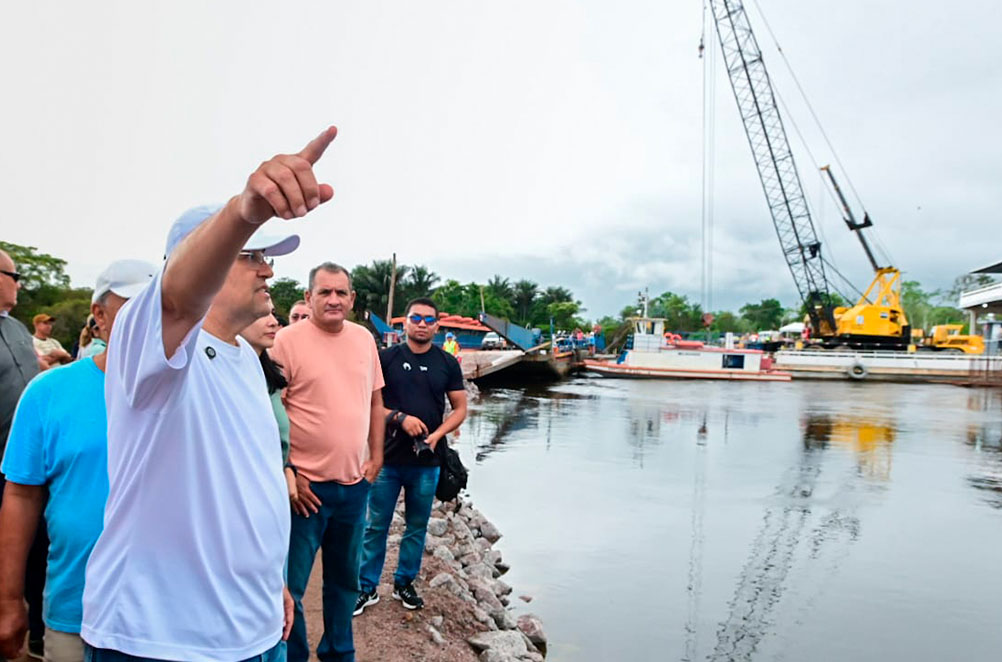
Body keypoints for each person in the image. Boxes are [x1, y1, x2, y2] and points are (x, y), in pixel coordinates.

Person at [80, 126, 339, 662]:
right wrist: (244, 210)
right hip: (161, 640)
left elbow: (246, 487)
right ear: (205, 263)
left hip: (252, 627)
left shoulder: (247, 359)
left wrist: (270, 590)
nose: (268, 269)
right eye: (251, 255)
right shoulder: (148, 342)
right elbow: (176, 302)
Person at [0, 259, 155, 662]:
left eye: (157, 307)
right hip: (77, 616)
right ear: (99, 316)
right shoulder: (49, 392)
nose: (148, 319)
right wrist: (9, 601)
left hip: (171, 621)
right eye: (133, 307)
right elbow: (21, 496)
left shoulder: (194, 388)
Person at [271, 263, 384, 662]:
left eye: (341, 293)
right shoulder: (285, 342)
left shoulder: (364, 339)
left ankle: (339, 652)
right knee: (291, 586)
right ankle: (295, 655)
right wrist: (289, 471)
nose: (333, 299)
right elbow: (271, 412)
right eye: (324, 292)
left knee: (344, 583)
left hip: (354, 487)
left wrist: (376, 457)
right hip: (306, 491)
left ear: (352, 300)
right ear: (308, 298)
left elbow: (374, 400)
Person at [355, 298, 467, 615]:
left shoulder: (447, 363)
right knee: (376, 526)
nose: (422, 324)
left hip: (427, 463)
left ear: (437, 326)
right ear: (404, 322)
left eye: (428, 320)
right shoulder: (386, 358)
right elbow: (369, 403)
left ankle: (405, 583)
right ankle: (366, 588)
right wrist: (399, 418)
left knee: (417, 528)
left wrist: (436, 434)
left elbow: (460, 409)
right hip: (387, 459)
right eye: (415, 318)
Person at [0, 247, 45, 660]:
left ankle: (36, 634)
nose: (18, 285)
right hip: (2, 470)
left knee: (35, 552)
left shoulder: (15, 329)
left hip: (30, 464)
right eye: (14, 276)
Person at [240, 311, 297, 502]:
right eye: (262, 314)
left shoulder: (269, 378)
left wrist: (288, 468)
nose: (273, 323)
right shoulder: (227, 378)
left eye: (272, 315)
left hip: (274, 493)